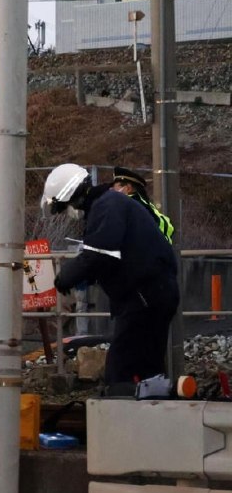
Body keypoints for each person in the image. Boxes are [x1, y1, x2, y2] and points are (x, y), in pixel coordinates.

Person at [41, 163, 180, 386]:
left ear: (74, 197)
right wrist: (87, 275)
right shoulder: (110, 204)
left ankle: (125, 412)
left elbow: (100, 254)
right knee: (146, 369)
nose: (69, 212)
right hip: (151, 295)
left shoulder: (108, 205)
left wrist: (67, 275)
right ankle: (151, 409)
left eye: (65, 206)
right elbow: (109, 257)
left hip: (143, 298)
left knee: (122, 370)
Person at [111, 166, 175, 243]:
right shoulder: (144, 204)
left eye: (115, 187)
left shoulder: (128, 206)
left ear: (128, 188)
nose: (112, 191)